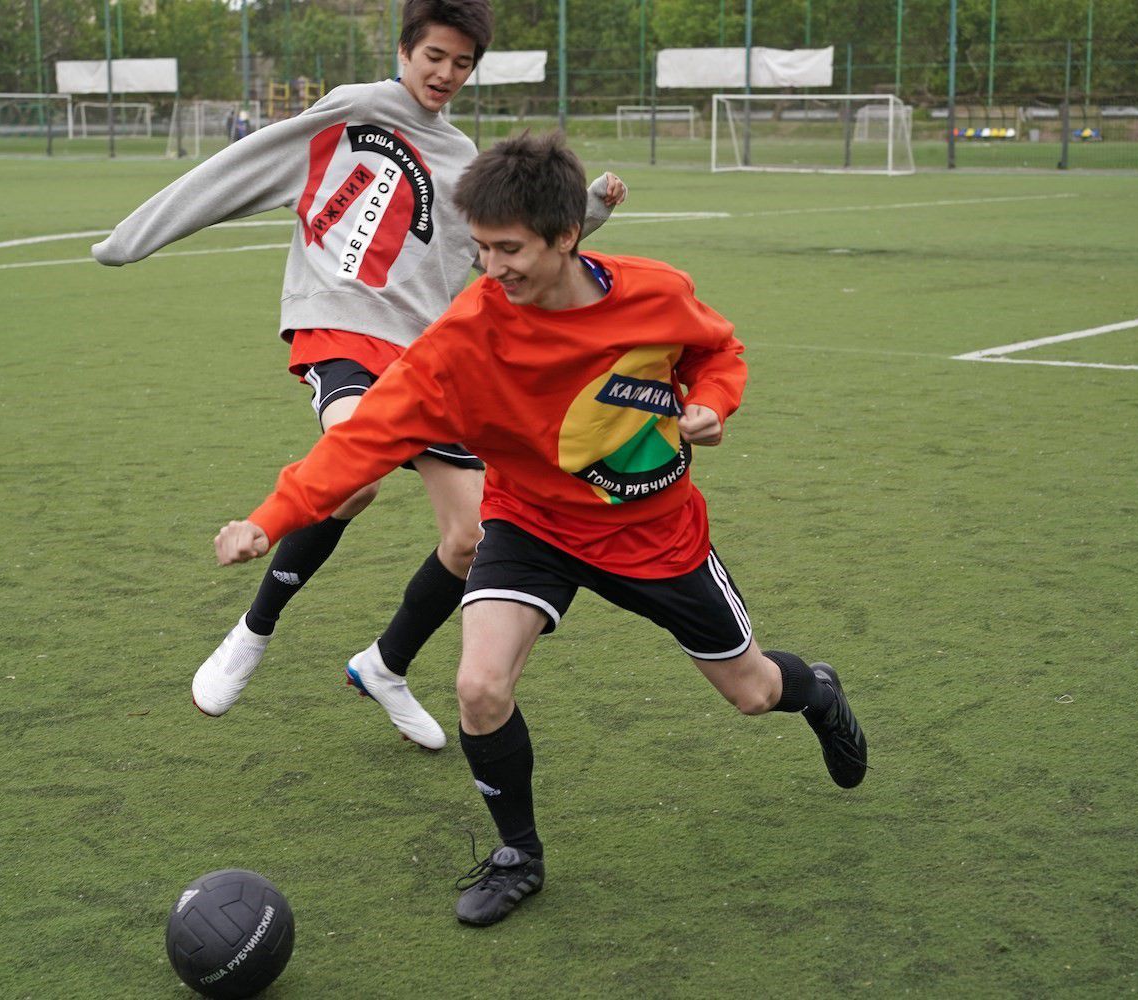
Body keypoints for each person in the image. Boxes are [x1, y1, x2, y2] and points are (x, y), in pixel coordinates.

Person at [212, 132, 869, 928]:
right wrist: (269, 517)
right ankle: (518, 852)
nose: (492, 269)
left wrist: (712, 403)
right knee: (479, 687)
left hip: (653, 537)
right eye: (480, 248)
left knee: (752, 691)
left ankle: (819, 692)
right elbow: (364, 436)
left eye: (510, 249)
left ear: (567, 236)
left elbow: (717, 351)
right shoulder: (465, 337)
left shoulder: (656, 292)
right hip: (532, 525)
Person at [91, 0, 627, 750]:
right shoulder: (349, 114)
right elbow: (237, 169)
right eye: (434, 55)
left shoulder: (463, 157)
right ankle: (254, 629)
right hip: (339, 324)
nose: (445, 73)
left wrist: (590, 214)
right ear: (404, 50)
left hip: (426, 355)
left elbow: (498, 252)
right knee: (354, 471)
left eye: (461, 63)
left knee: (472, 536)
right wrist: (133, 238)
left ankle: (385, 663)